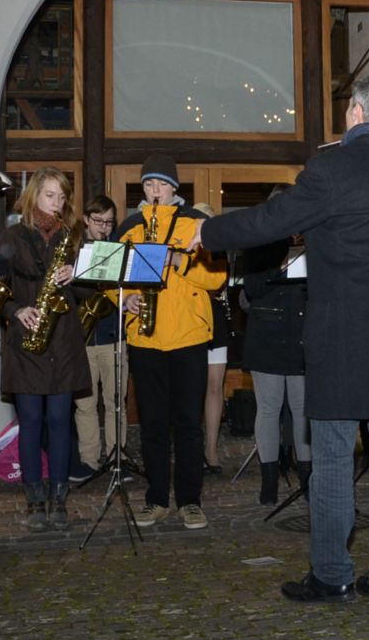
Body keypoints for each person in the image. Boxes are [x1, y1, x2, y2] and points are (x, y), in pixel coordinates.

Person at [191, 72, 369, 604]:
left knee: (333, 458)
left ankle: (332, 572)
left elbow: (271, 220)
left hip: (342, 339)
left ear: (356, 113)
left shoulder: (332, 168)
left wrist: (207, 231)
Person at [116, 154, 226, 531]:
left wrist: (180, 261)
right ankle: (157, 499)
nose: (155, 191)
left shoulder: (196, 223)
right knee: (152, 425)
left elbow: (217, 278)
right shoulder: (130, 227)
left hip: (189, 337)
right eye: (149, 184)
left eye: (162, 184)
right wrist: (124, 300)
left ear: (175, 188)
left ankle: (190, 501)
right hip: (145, 338)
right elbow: (112, 277)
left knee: (188, 425)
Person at [0, 167, 91, 531]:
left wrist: (76, 275)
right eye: (50, 195)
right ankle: (34, 498)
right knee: (31, 423)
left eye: (62, 197)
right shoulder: (12, 236)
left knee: (59, 422)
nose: (57, 203)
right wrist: (16, 311)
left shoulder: (72, 237)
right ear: (34, 195)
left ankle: (59, 497)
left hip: (63, 342)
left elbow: (87, 291)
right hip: (27, 341)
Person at [234, 188, 308, 506]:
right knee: (268, 408)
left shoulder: (311, 238)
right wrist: (280, 261)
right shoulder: (257, 241)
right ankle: (269, 480)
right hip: (266, 335)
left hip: (302, 333)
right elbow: (252, 288)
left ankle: (307, 478)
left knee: (303, 408)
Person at [74, 195, 122, 480]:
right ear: (86, 220)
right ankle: (89, 460)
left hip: (115, 336)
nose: (104, 228)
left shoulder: (118, 251)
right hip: (83, 339)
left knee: (116, 402)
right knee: (85, 405)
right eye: (98, 221)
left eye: (109, 222)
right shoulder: (74, 250)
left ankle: (117, 459)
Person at [194, 203, 231, 475]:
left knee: (215, 387)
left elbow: (220, 283)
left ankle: (212, 449)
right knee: (191, 389)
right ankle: (191, 446)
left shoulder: (218, 249)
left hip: (215, 321)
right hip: (190, 319)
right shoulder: (183, 247)